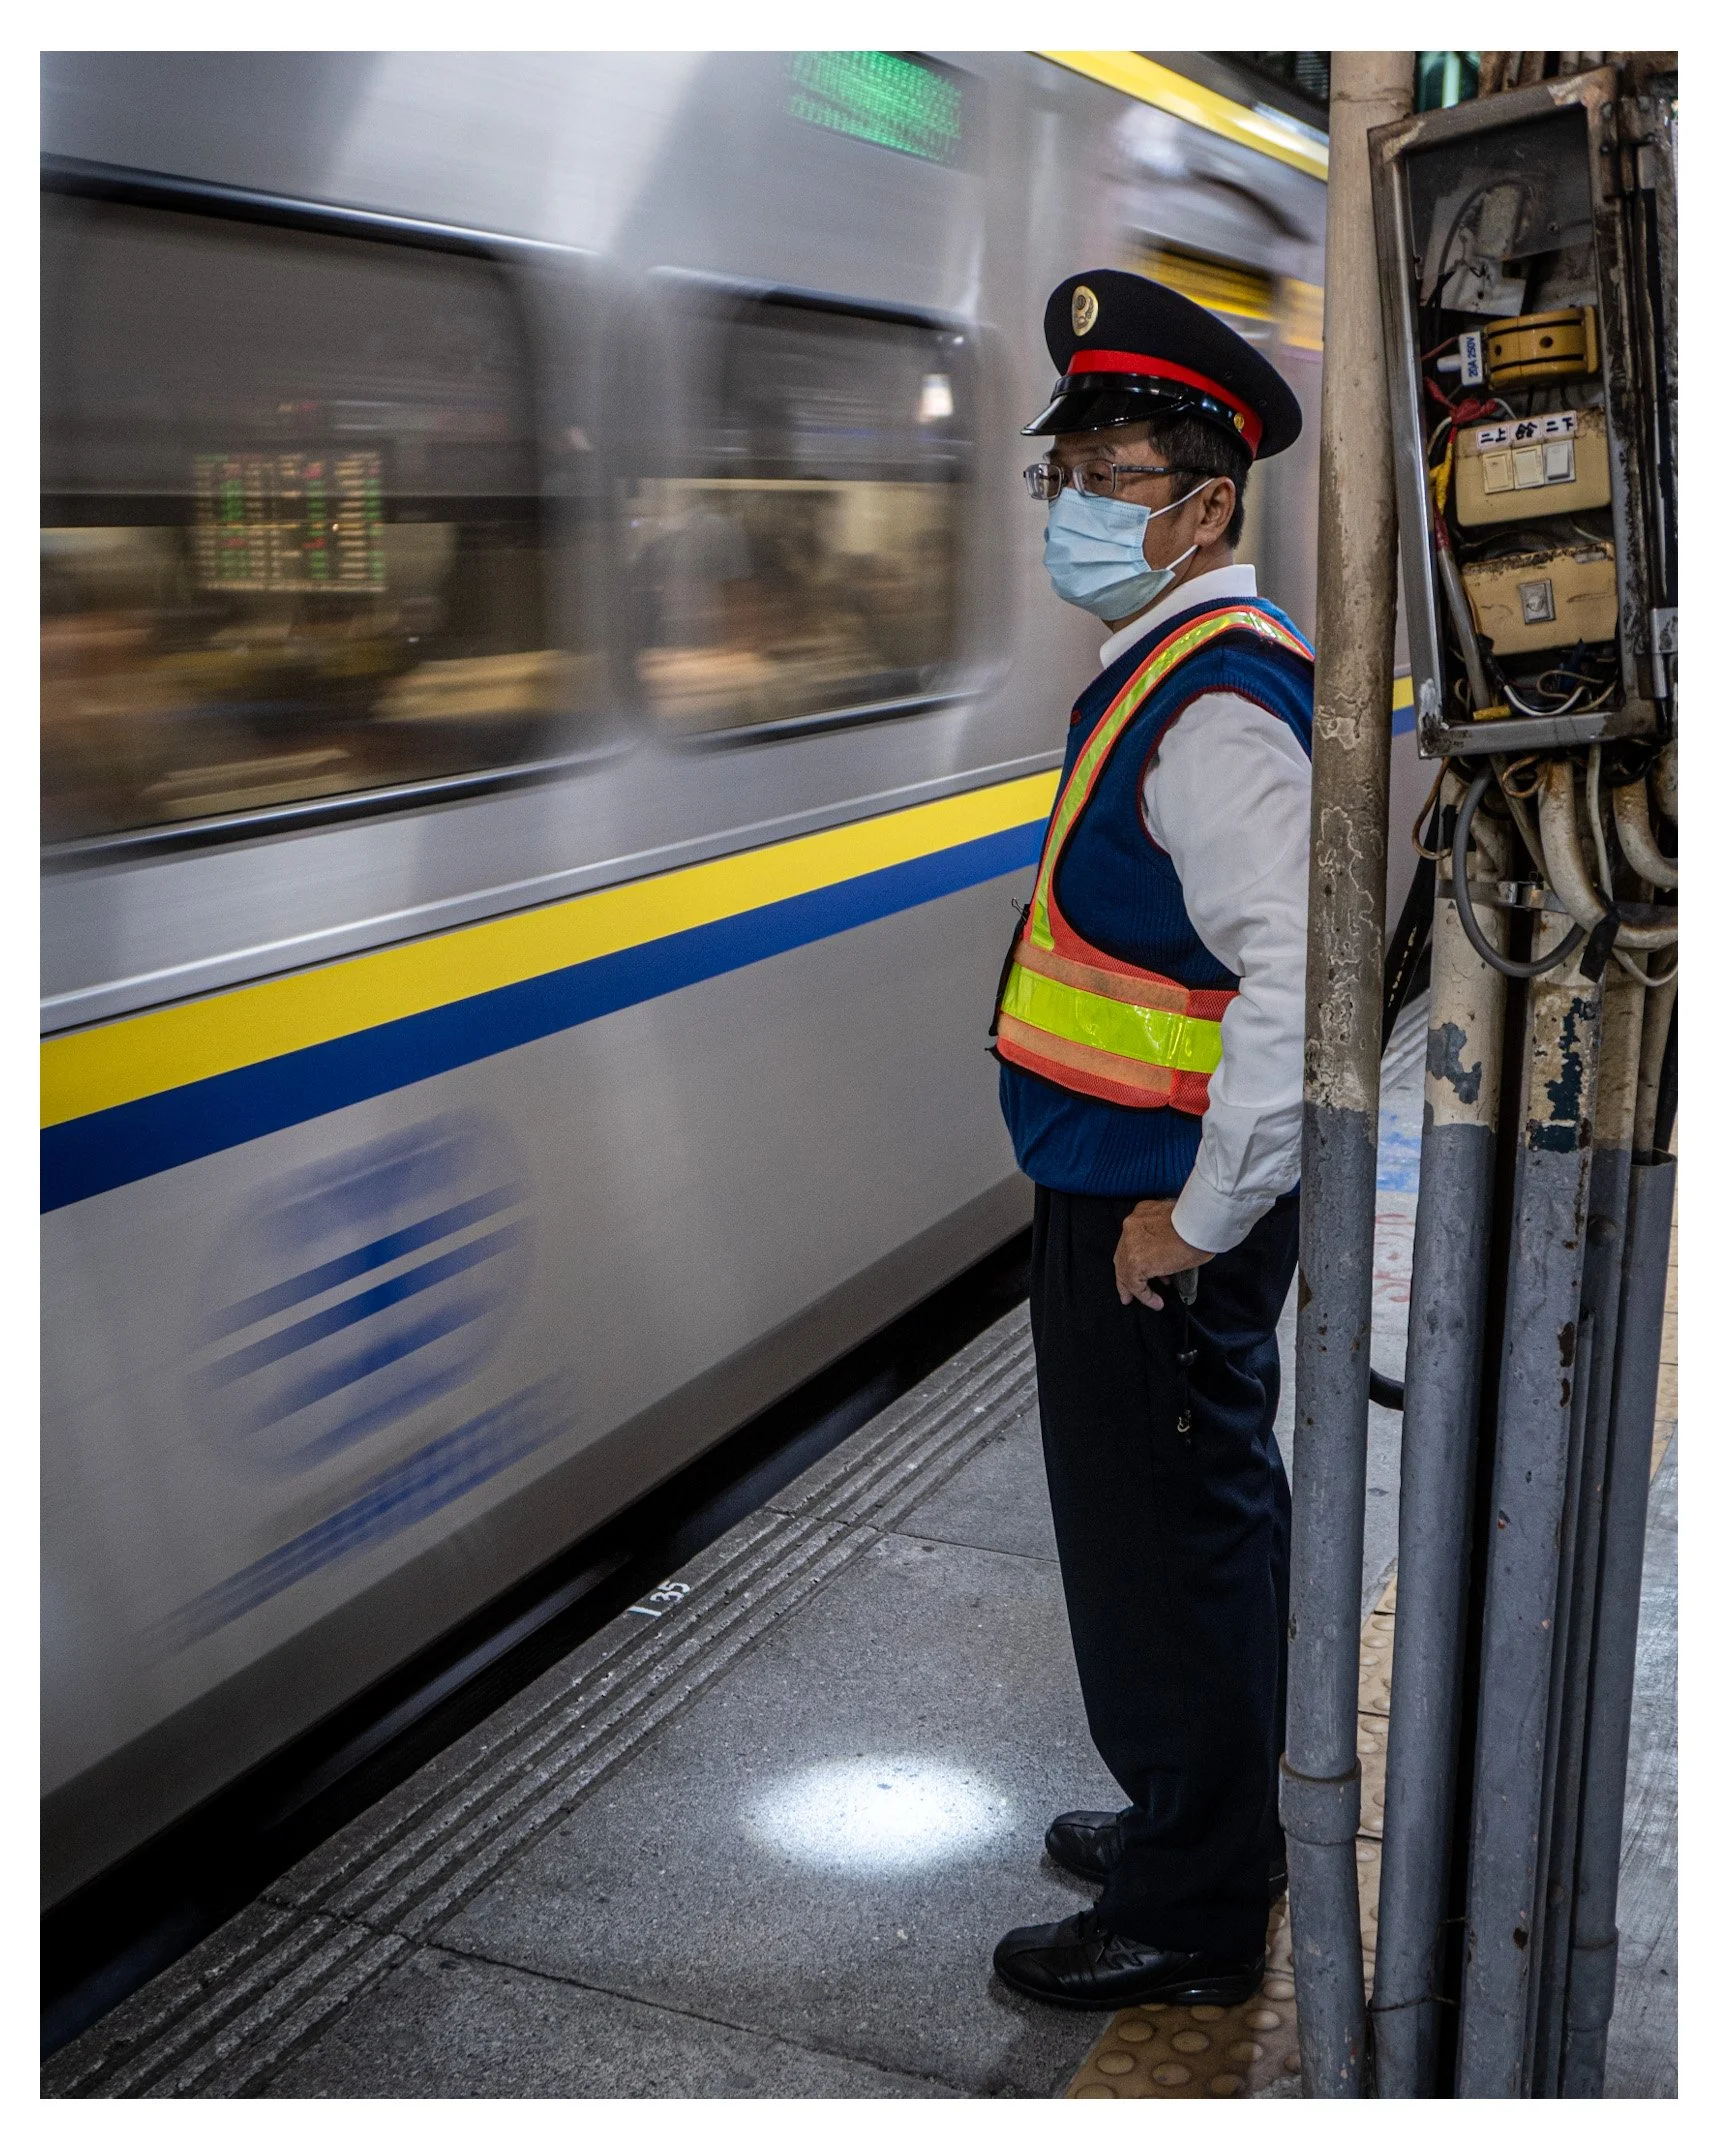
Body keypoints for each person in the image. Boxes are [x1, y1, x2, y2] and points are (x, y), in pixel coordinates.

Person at [989, 269, 1313, 2011]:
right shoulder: (1170, 666)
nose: (1078, 505)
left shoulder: (1212, 706)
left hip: (1154, 1203)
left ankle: (1192, 1908)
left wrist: (1197, 1215)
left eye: (1112, 475)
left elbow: (1294, 977)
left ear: (1205, 506)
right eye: (1067, 473)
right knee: (1160, 1527)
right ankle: (1191, 1808)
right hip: (1120, 1179)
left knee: (1166, 1542)